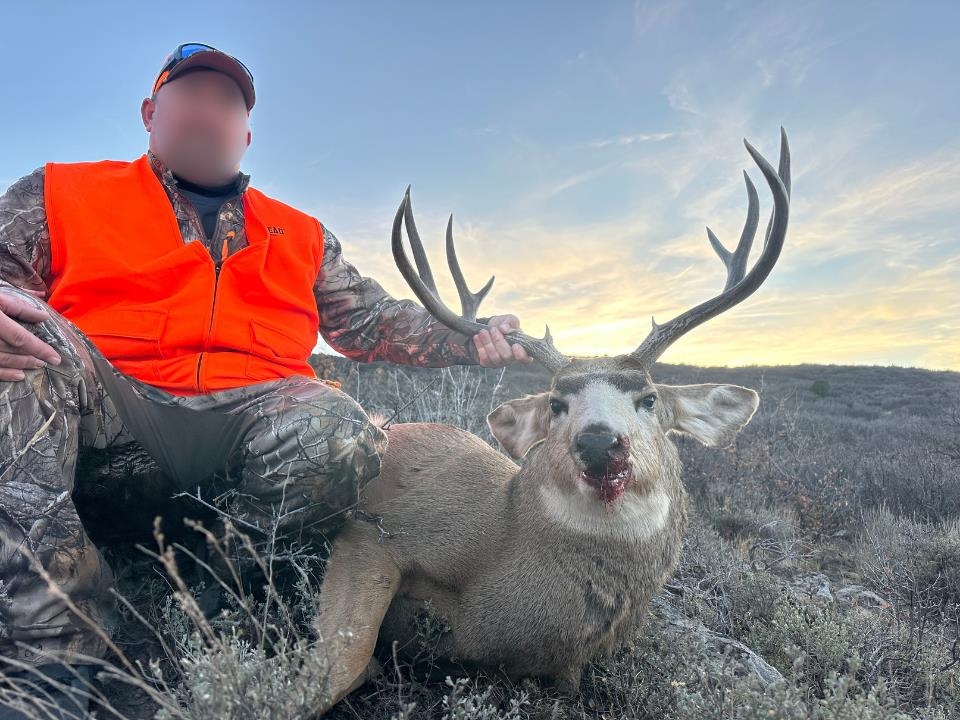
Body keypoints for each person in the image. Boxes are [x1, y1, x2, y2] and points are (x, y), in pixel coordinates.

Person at [0, 42, 530, 718]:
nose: (208, 113)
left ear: (245, 134)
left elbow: (369, 324)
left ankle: (217, 584)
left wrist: (468, 338)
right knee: (21, 335)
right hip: (110, 425)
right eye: (189, 95)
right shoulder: (59, 193)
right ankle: (53, 639)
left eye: (226, 104)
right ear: (148, 113)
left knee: (336, 429)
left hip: (248, 445)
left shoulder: (301, 233)